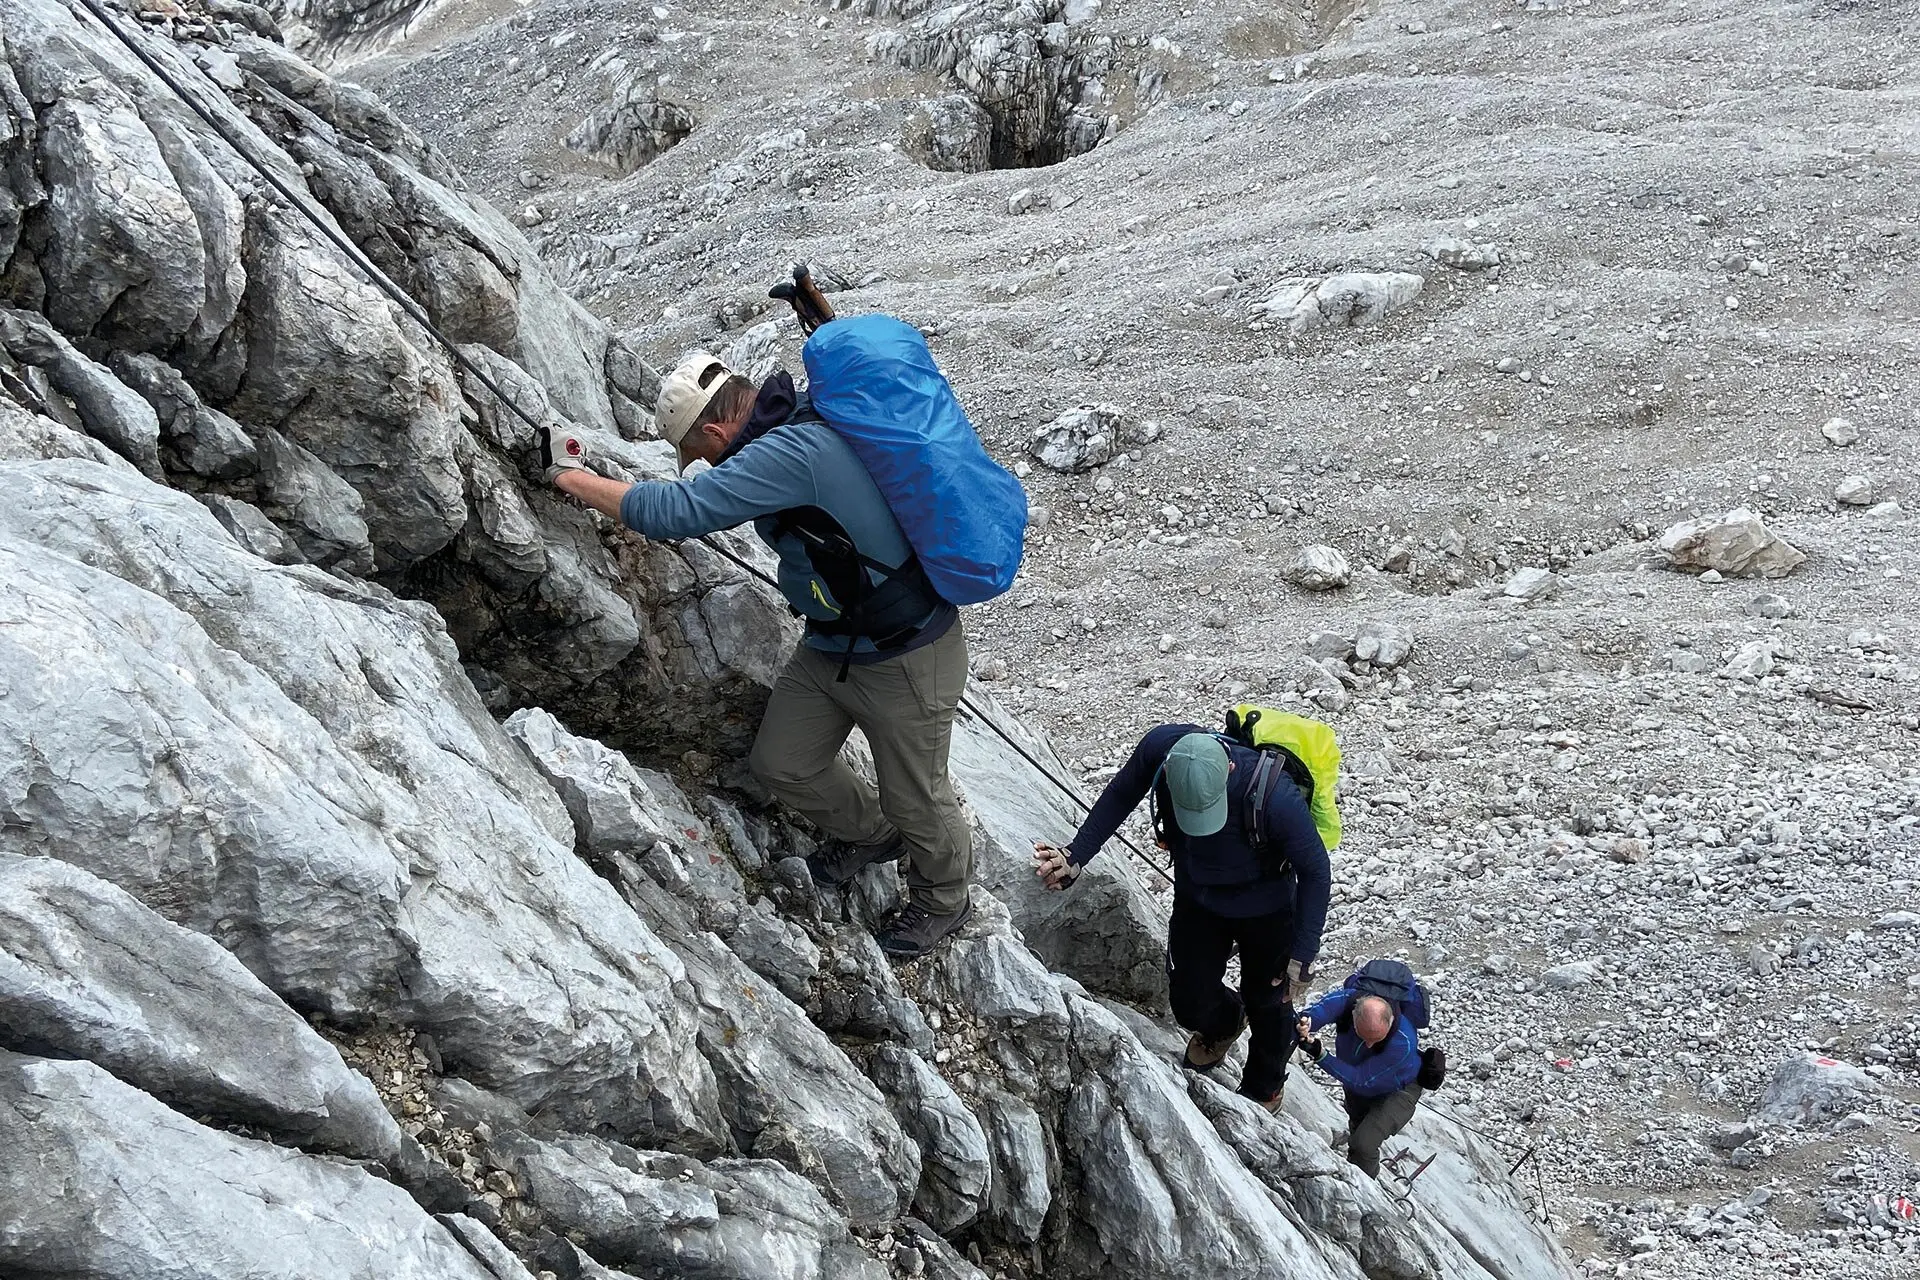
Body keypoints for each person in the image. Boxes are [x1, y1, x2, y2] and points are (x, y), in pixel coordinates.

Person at [540, 350, 973, 957]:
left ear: (716, 431)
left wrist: (570, 478)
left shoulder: (789, 453)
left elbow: (680, 511)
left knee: (918, 795)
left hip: (907, 655)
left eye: (699, 454)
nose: (702, 467)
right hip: (832, 643)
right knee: (782, 763)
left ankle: (944, 900)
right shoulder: (788, 430)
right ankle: (874, 834)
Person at [1033, 725, 1331, 1111]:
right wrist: (1075, 855)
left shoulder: (1275, 797)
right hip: (1198, 898)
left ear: (1227, 770)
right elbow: (1122, 792)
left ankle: (1265, 1088)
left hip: (1268, 909)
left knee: (1270, 1001)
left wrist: (1302, 954)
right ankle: (1225, 1022)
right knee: (1189, 1000)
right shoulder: (1162, 748)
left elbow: (1316, 870)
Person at [1297, 964, 1430, 1178]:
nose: (1368, 1045)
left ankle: (1365, 1191)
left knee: (1364, 1144)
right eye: (1363, 1036)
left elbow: (1361, 1079)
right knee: (1356, 1133)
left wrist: (1321, 1055)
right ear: (1353, 1015)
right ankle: (1355, 1172)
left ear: (1391, 1021)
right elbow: (1321, 1011)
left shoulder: (1403, 1041)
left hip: (1399, 1091)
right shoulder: (1349, 1000)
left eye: (1375, 1039)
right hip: (1359, 1089)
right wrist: (1307, 1022)